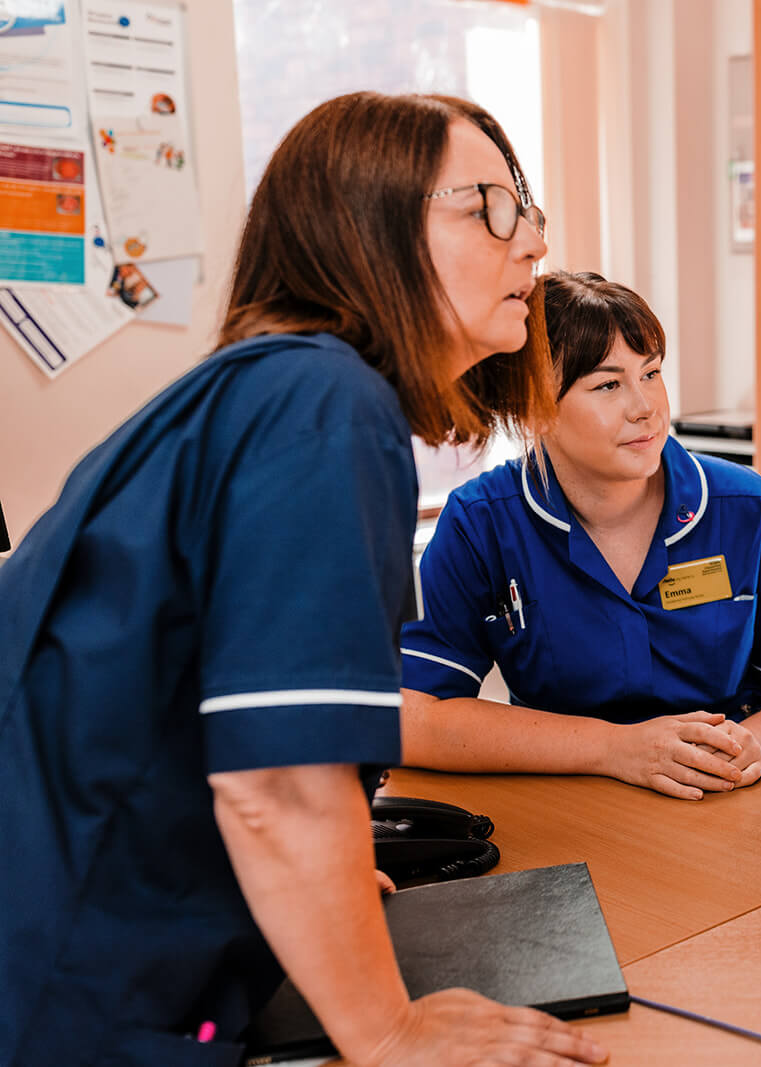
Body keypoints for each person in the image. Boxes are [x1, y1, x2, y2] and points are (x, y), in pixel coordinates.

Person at [0, 92, 607, 1066]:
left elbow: (203, 714)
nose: (531, 239)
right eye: (487, 205)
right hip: (67, 988)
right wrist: (392, 1028)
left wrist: (314, 881)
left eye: (526, 206)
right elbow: (278, 782)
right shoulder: (322, 403)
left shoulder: (268, 390)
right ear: (367, 229)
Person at [400, 271, 761, 799]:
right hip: (582, 808)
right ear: (532, 407)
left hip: (751, 795)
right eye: (608, 384)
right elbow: (414, 718)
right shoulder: (481, 522)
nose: (646, 406)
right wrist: (613, 748)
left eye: (650, 373)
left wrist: (754, 746)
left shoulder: (749, 508)